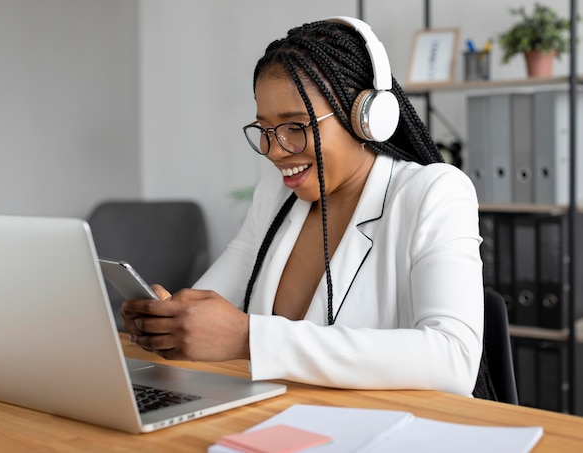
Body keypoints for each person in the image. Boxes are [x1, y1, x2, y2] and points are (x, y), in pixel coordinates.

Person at [122, 17, 494, 399]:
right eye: (265, 130)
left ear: (366, 116)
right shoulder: (277, 194)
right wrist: (167, 320)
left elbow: (454, 359)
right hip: (279, 421)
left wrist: (251, 338)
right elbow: (210, 302)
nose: (275, 151)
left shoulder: (433, 193)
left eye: (296, 127)